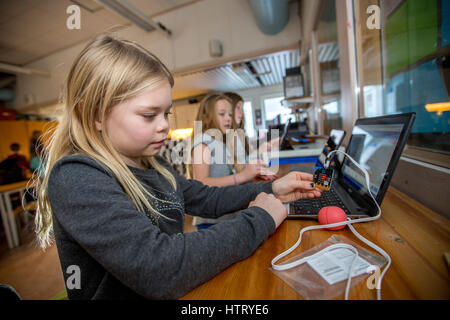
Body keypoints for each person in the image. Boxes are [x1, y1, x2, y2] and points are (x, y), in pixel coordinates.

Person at [33, 34, 322, 300]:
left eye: (166, 113)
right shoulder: (77, 178)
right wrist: (259, 218)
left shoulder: (153, 163)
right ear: (94, 114)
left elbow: (205, 197)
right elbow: (158, 267)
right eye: (149, 115)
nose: (164, 126)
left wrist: (271, 187)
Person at [190, 93, 274, 229]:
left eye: (230, 114)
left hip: (227, 214)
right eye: (222, 114)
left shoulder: (222, 141)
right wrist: (242, 176)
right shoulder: (202, 143)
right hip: (210, 221)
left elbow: (232, 171)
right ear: (207, 117)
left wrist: (253, 173)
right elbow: (201, 183)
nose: (228, 118)